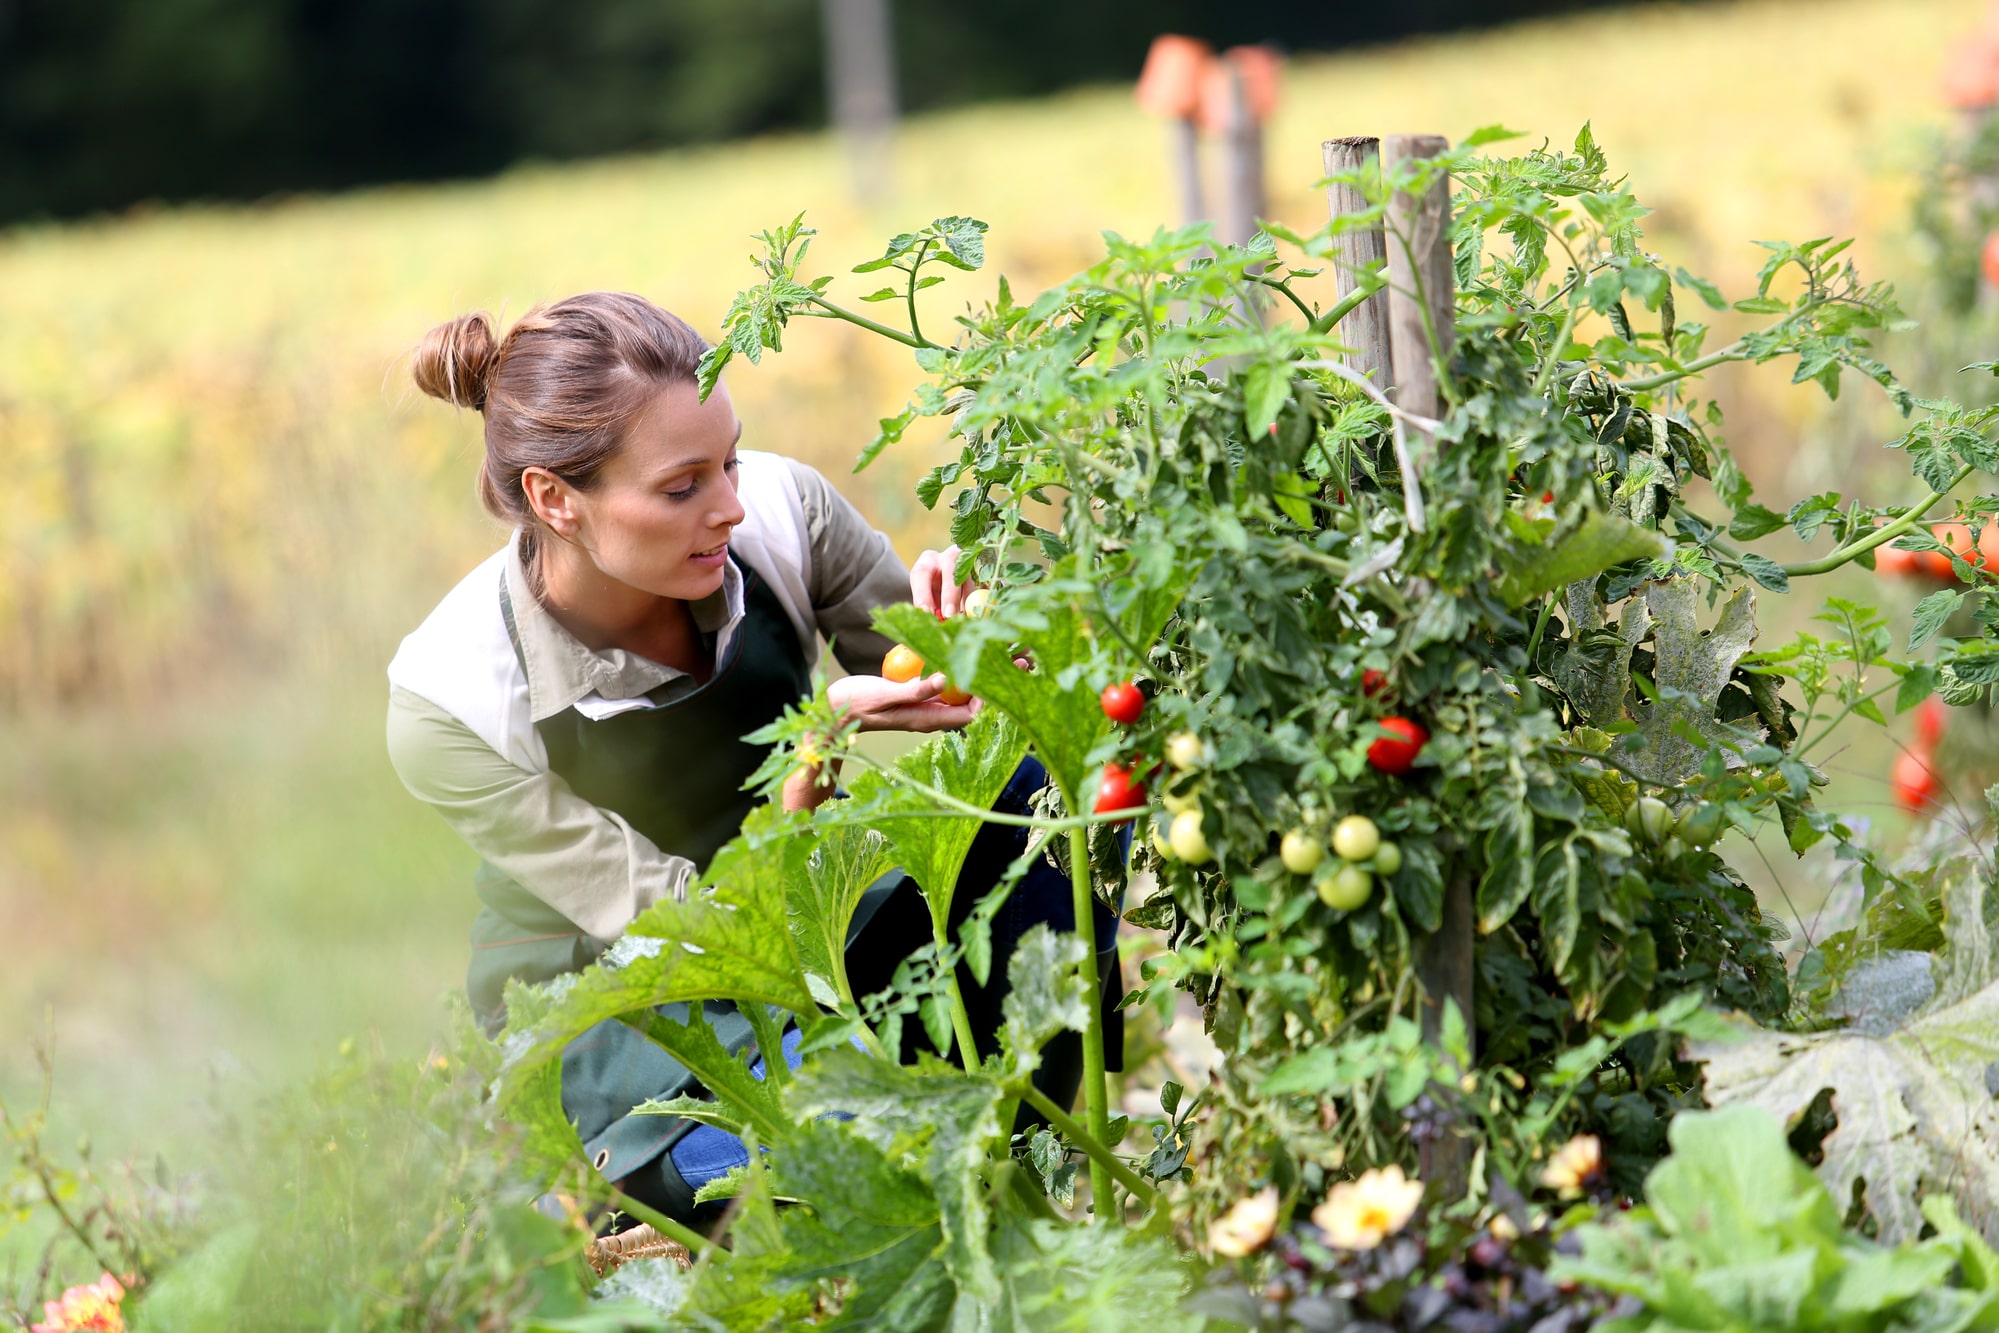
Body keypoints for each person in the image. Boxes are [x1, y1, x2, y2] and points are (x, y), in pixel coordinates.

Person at [384, 292, 1119, 1226]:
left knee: (1043, 801)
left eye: (728, 459)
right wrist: (819, 740)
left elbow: (962, 701)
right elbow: (707, 937)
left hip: (826, 928)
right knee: (846, 1171)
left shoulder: (782, 512)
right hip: (636, 1015)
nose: (730, 505)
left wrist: (971, 640)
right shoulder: (450, 701)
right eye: (682, 487)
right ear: (554, 498)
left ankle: (1037, 1153)